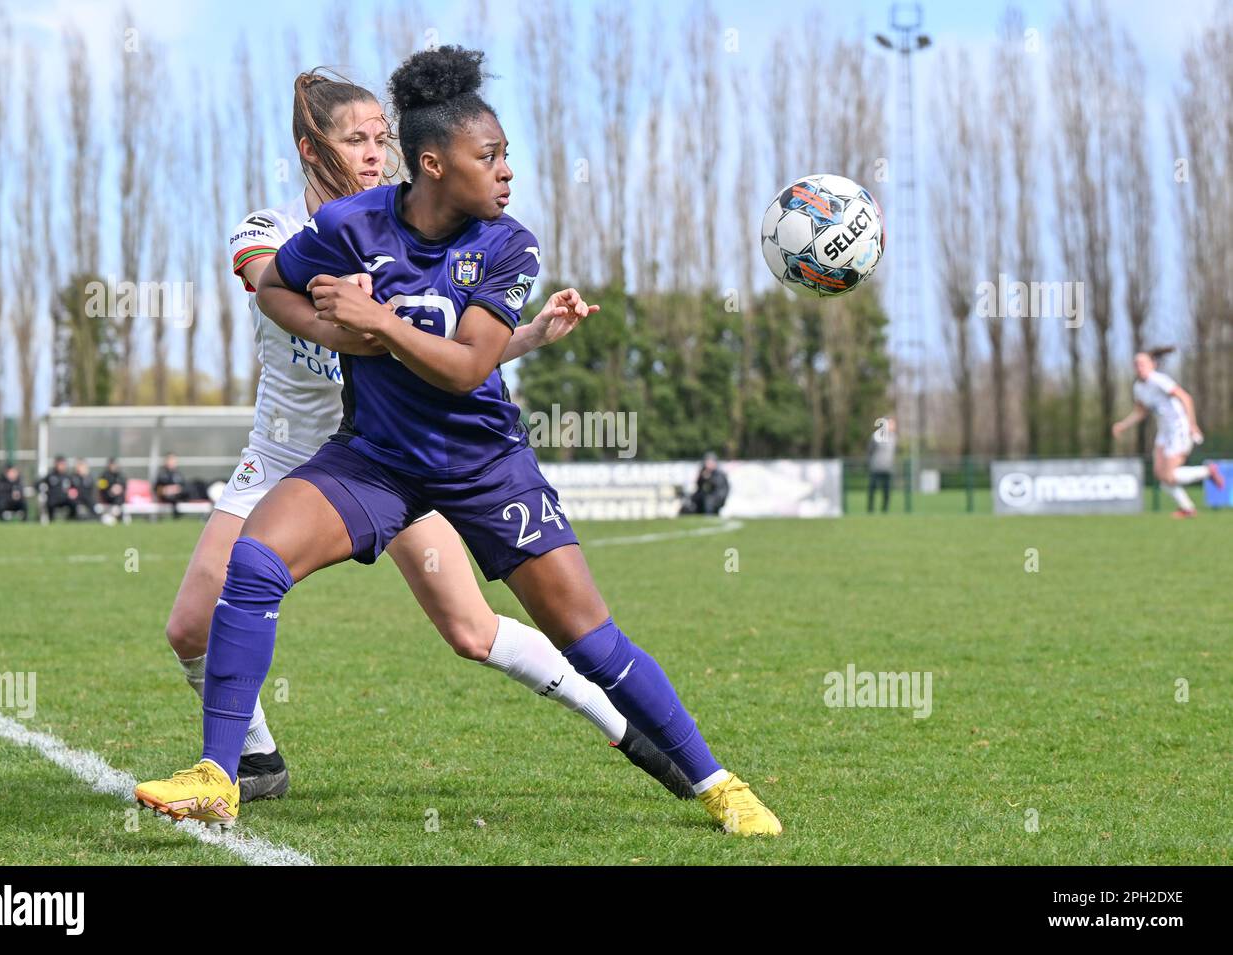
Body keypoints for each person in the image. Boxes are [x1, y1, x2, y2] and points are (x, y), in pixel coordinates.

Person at [136, 47, 778, 836]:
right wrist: (336, 323)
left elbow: (468, 363)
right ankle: (221, 774)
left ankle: (717, 781)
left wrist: (376, 323)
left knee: (589, 637)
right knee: (254, 563)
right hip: (371, 458)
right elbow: (271, 284)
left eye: (505, 154)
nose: (508, 170)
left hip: (482, 465)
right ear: (434, 164)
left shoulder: (510, 244)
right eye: (492, 155)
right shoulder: (344, 227)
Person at [1112, 347, 1223, 518]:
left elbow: (1185, 397)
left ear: (1152, 365)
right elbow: (1141, 412)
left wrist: (1192, 425)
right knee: (1160, 475)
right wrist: (1123, 425)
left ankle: (1207, 472)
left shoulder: (1159, 380)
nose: (1139, 367)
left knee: (1169, 476)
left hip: (1178, 428)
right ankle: (1187, 508)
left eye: (1142, 363)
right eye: (1136, 364)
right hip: (1163, 431)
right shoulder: (1138, 388)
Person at [867, 417, 896, 514]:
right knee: (872, 490)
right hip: (876, 468)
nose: (893, 426)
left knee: (887, 491)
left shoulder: (894, 437)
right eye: (890, 424)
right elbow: (870, 451)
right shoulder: (876, 436)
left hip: (888, 469)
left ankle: (885, 510)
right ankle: (870, 510)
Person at [39, 456, 79, 522]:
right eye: (60, 464)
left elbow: (74, 487)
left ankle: (70, 520)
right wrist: (44, 491)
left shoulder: (68, 476)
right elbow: (39, 483)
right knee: (50, 503)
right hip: (53, 499)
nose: (62, 466)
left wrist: (73, 493)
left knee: (74, 503)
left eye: (63, 464)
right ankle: (51, 520)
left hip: (65, 498)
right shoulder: (51, 475)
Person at [154, 453, 189, 518]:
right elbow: (156, 489)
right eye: (170, 460)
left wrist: (178, 489)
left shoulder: (178, 475)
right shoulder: (162, 475)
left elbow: (184, 487)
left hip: (179, 497)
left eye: (173, 460)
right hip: (166, 498)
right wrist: (166, 490)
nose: (172, 462)